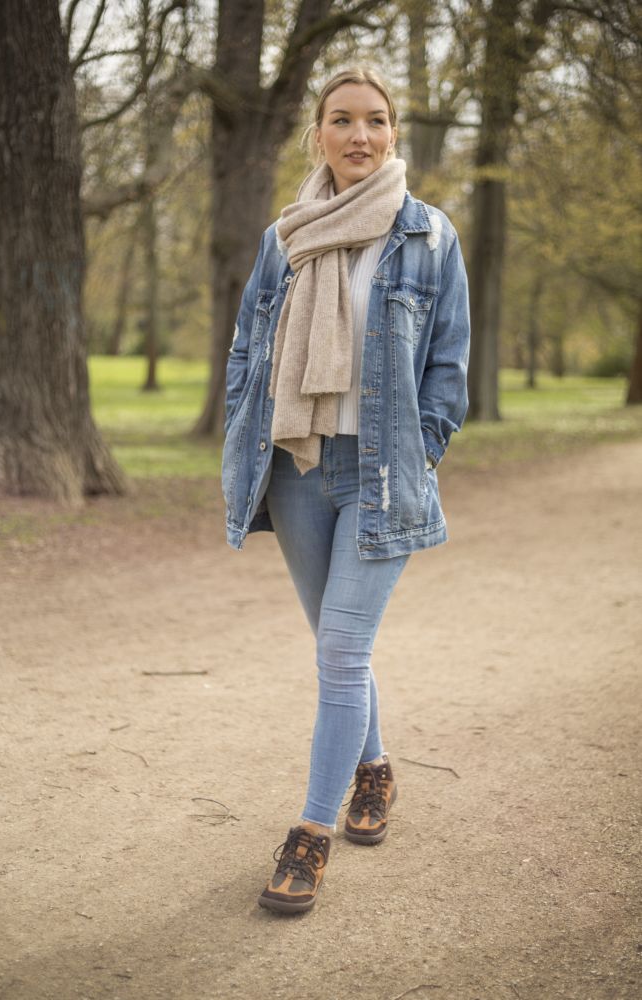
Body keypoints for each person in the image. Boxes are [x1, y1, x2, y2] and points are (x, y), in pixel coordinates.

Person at [221, 67, 470, 915]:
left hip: (382, 469)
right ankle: (375, 769)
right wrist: (238, 422)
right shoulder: (284, 236)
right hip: (296, 468)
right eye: (342, 120)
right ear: (318, 133)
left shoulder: (430, 236)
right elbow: (247, 347)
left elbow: (448, 366)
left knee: (338, 651)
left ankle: (310, 835)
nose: (359, 135)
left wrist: (422, 451)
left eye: (376, 120)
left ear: (395, 132)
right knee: (338, 647)